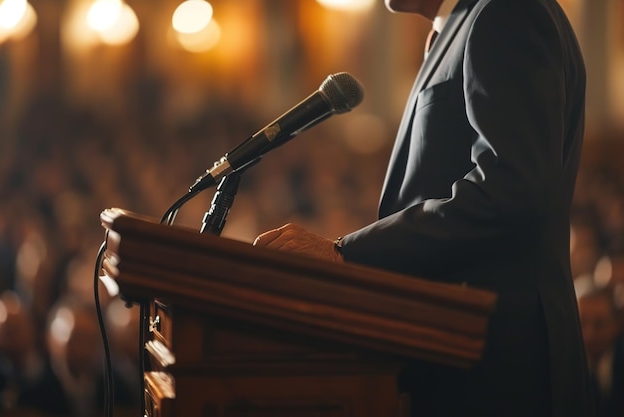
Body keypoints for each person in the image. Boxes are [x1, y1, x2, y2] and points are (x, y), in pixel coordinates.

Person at [253, 0, 593, 416]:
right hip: (458, 347)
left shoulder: (506, 12)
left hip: (501, 363)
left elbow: (511, 189)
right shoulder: (459, 25)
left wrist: (348, 252)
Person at [578, 287, 624, 417]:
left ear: (616, 325)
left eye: (599, 324)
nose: (589, 334)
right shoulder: (566, 367)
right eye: (582, 323)